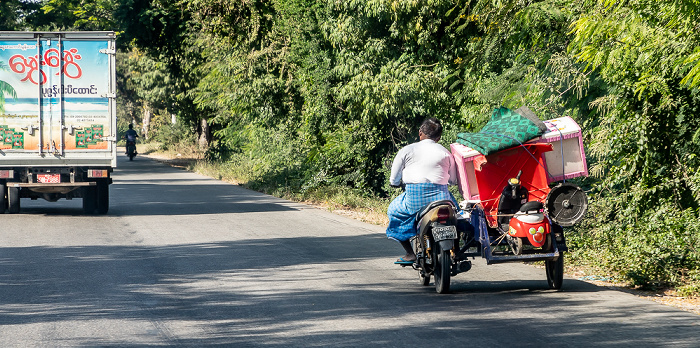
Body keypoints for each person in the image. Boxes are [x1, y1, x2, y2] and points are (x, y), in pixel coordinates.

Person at [386, 117, 459, 264]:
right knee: (458, 215)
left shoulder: (407, 150)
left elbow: (393, 179)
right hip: (441, 199)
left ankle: (409, 253)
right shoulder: (445, 153)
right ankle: (455, 250)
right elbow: (452, 180)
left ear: (420, 133)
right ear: (438, 137)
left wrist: (396, 183)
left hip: (414, 200)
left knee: (393, 211)